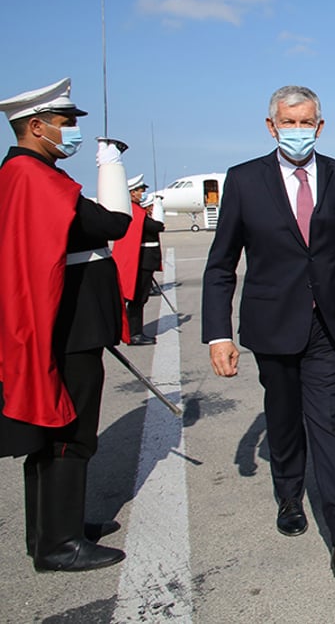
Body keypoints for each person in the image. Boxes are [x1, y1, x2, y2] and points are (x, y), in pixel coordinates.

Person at [202, 85, 335, 578]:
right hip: (272, 324)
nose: (297, 131)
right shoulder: (245, 180)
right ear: (271, 127)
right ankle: (289, 495)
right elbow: (222, 263)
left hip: (330, 322)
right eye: (288, 123)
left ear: (320, 126)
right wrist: (217, 333)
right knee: (284, 420)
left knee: (329, 422)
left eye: (305, 122)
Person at [0, 77, 132, 572]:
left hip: (61, 324)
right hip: (68, 329)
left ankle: (54, 529)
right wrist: (111, 163)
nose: (71, 132)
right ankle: (58, 543)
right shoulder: (38, 178)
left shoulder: (21, 173)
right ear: (36, 127)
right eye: (65, 124)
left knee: (53, 428)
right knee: (68, 430)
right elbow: (114, 224)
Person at [113, 174, 165, 346]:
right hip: (142, 262)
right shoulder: (135, 211)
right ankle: (134, 333)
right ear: (131, 192)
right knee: (137, 300)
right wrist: (158, 210)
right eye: (139, 191)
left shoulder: (137, 210)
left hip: (144, 261)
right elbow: (157, 227)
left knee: (139, 299)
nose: (142, 194)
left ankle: (133, 331)